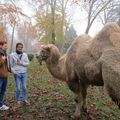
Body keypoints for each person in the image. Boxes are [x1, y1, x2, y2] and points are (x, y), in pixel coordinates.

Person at [0, 41, 9, 110]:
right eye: (5, 46)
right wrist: (2, 60)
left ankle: (1, 104)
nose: (6, 47)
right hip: (0, 76)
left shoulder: (4, 53)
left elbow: (6, 65)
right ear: (1, 46)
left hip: (5, 75)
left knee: (3, 90)